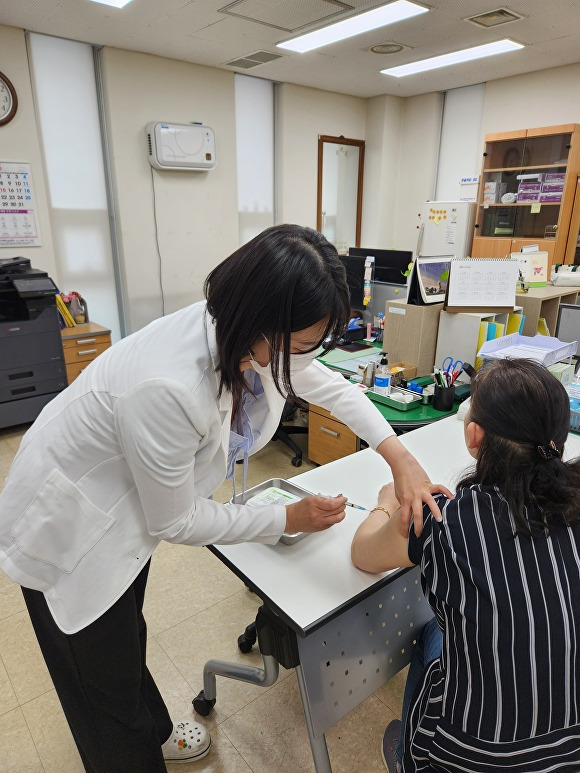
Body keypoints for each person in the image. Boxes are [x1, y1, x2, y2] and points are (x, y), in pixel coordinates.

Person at [0, 224, 448, 772]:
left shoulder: (248, 337)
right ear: (261, 323)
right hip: (70, 528)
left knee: (125, 637)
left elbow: (323, 383)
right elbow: (176, 520)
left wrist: (397, 456)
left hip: (126, 515)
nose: (308, 359)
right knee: (99, 687)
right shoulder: (168, 385)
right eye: (304, 344)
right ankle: (129, 751)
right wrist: (286, 517)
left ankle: (154, 731)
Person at [351, 358, 580, 772]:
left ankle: (409, 758)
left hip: (473, 757)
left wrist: (386, 505)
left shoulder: (446, 520)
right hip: (572, 749)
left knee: (430, 635)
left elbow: (363, 554)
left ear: (474, 437)